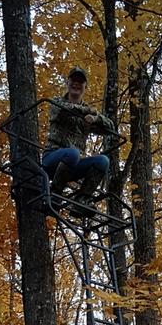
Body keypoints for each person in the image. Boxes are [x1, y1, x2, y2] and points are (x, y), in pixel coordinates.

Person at [43, 67, 115, 216]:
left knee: (103, 161)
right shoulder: (58, 101)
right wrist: (87, 112)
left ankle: (82, 199)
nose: (76, 84)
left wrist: (95, 119)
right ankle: (54, 194)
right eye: (73, 80)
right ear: (67, 82)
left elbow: (111, 127)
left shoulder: (90, 112)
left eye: (80, 81)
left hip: (72, 165)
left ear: (85, 86)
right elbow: (61, 109)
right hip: (52, 159)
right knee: (73, 153)